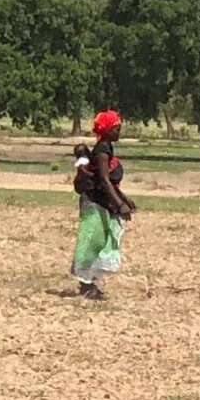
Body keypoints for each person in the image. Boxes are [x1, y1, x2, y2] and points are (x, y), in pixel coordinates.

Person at [70, 110, 136, 299]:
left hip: (100, 201)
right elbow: (105, 181)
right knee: (93, 241)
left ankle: (90, 283)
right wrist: (119, 205)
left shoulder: (106, 148)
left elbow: (108, 182)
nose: (119, 132)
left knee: (100, 240)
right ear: (106, 131)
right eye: (116, 129)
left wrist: (124, 199)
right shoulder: (102, 151)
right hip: (93, 202)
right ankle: (86, 285)